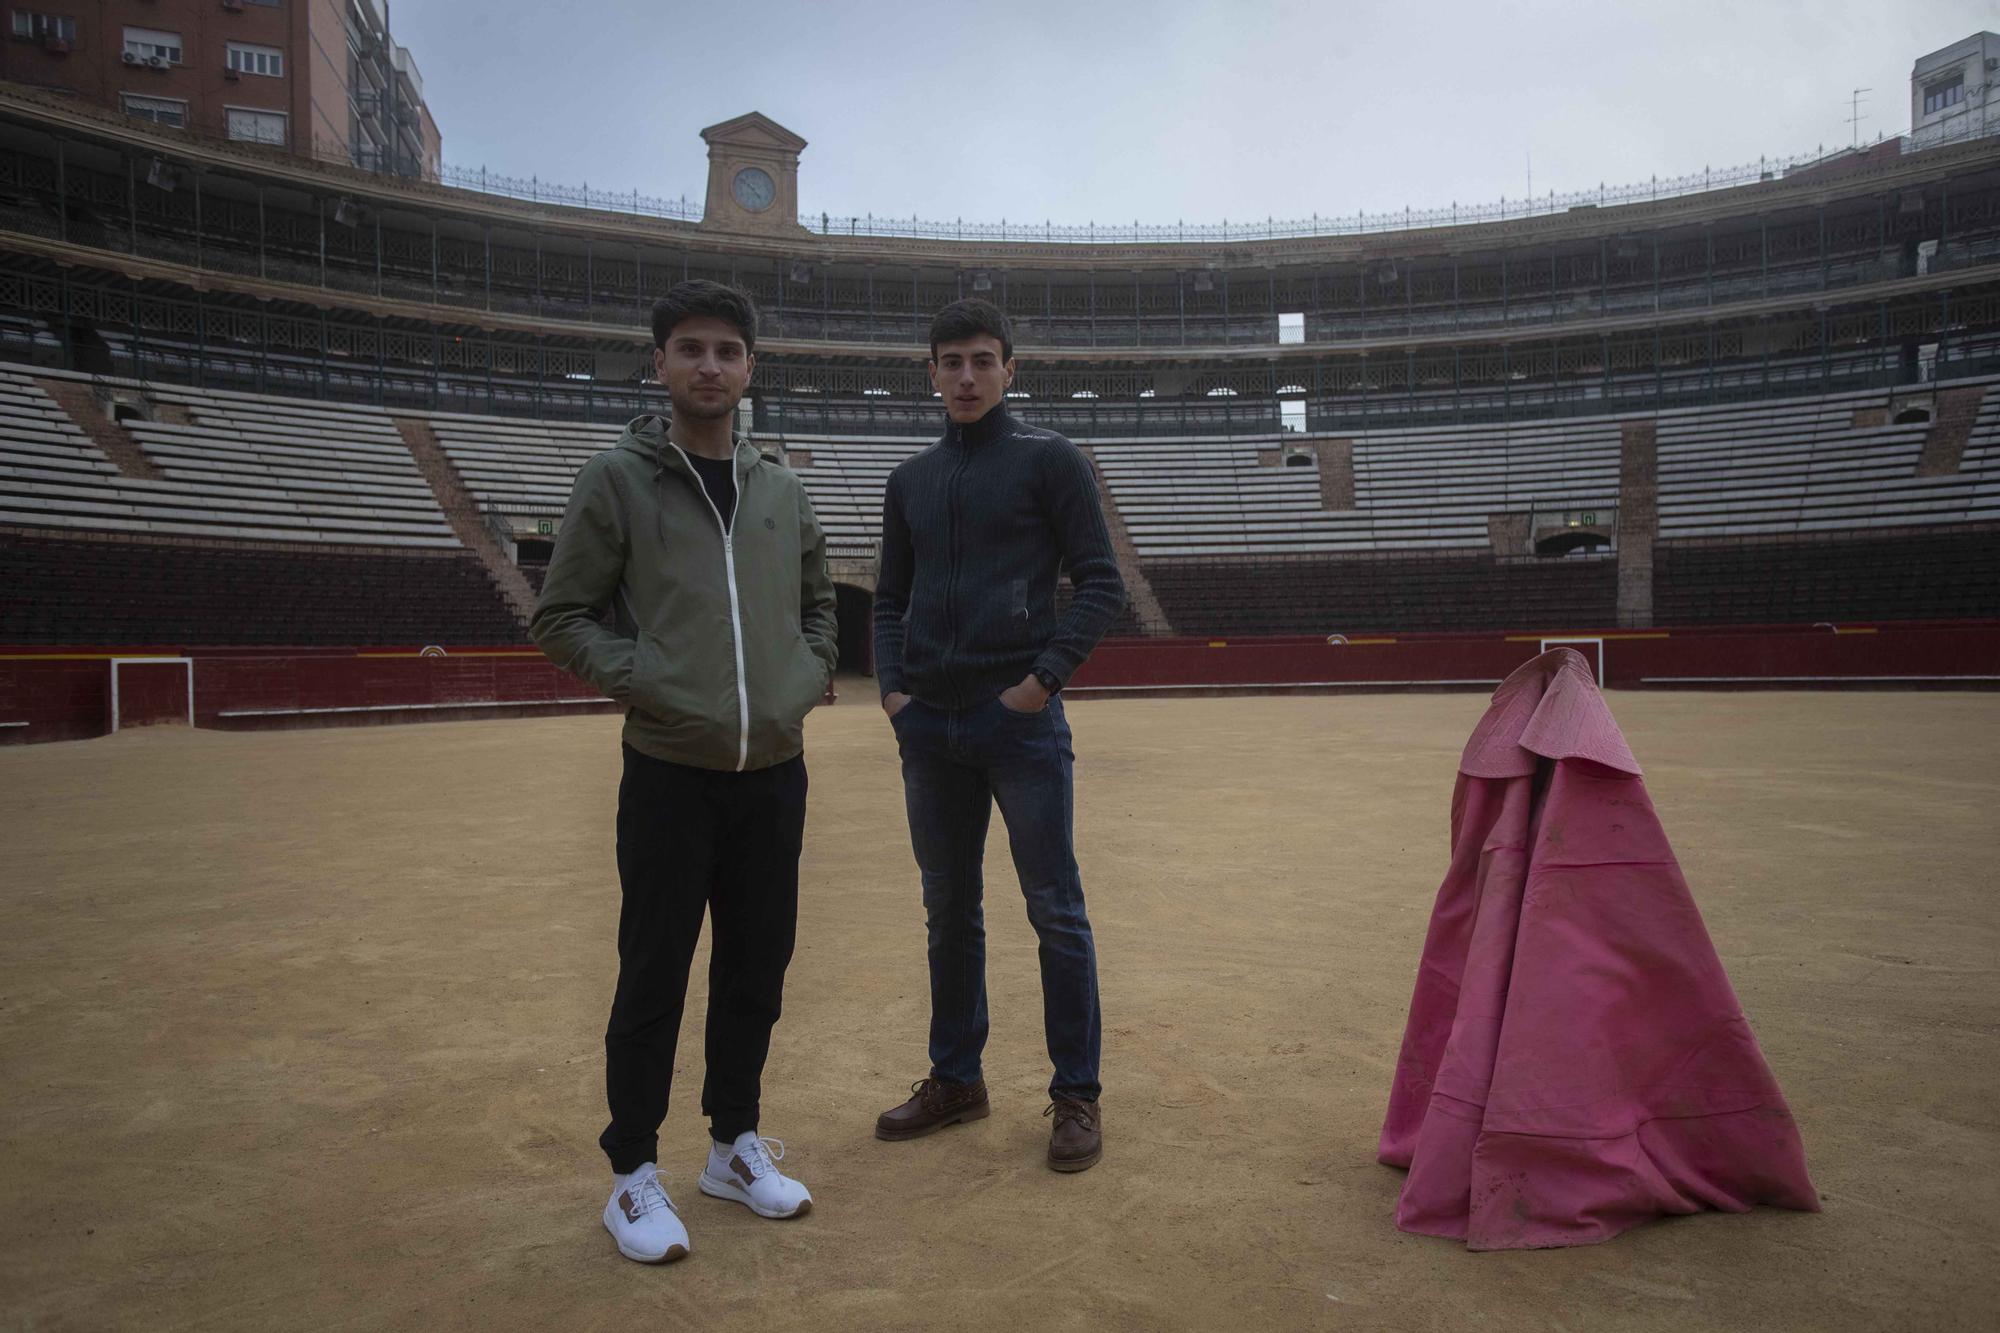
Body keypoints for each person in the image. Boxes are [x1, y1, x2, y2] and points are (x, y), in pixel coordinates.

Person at [530, 279, 838, 1264]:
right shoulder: (616, 479)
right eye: (690, 348)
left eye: (727, 350)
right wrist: (652, 684)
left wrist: (804, 677)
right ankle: (630, 1173)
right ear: (658, 363)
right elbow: (561, 615)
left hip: (772, 769)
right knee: (654, 971)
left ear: (751, 368)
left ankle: (730, 1146)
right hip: (667, 768)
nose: (709, 365)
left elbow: (821, 602)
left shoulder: (781, 490)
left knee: (756, 967)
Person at [872, 298, 1128, 1172]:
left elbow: (1100, 582)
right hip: (929, 726)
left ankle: (1076, 1094)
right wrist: (895, 691)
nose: (968, 376)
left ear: (1011, 369)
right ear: (931, 371)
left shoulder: (1048, 460)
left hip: (1015, 720)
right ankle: (957, 1078)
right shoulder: (909, 479)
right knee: (949, 910)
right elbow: (888, 599)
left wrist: (1040, 681)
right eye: (951, 361)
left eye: (984, 360)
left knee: (1054, 908)